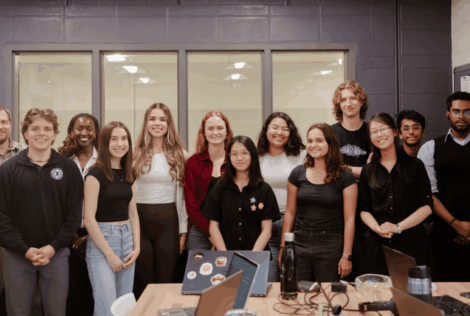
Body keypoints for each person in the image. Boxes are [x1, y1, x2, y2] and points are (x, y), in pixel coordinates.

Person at [0, 108, 83, 316]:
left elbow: (73, 215)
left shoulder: (69, 169)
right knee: (17, 312)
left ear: (55, 134)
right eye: (34, 128)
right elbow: (1, 217)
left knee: (56, 311)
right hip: (17, 255)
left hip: (56, 254)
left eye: (47, 128)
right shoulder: (7, 170)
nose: (41, 133)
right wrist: (24, 249)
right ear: (25, 133)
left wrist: (53, 247)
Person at [277, 123, 357, 282]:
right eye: (310, 141)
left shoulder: (345, 176)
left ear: (330, 143)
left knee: (327, 297)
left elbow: (350, 219)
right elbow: (290, 213)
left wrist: (346, 255)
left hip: (331, 245)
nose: (313, 145)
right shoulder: (297, 173)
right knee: (297, 296)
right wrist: (283, 248)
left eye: (319, 140)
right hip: (299, 244)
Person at [360, 113, 433, 276]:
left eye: (383, 129)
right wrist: (376, 228)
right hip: (378, 242)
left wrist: (398, 227)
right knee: (377, 295)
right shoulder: (367, 171)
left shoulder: (415, 166)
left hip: (411, 240)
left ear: (394, 132)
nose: (379, 135)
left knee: (413, 295)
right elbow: (363, 209)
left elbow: (427, 207)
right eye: (374, 132)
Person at [84, 121, 140, 316]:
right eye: (114, 139)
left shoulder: (129, 173)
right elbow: (88, 219)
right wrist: (108, 254)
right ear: (105, 143)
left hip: (127, 242)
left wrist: (137, 247)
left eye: (124, 138)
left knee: (125, 307)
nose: (120, 143)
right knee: (106, 308)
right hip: (103, 243)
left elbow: (133, 214)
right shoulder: (95, 174)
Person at [132, 103, 188, 299]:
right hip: (139, 224)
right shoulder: (133, 154)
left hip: (168, 225)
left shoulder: (181, 155)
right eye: (153, 118)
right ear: (146, 123)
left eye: (162, 119)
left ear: (169, 124)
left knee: (165, 282)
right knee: (142, 283)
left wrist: (183, 230)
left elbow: (182, 199)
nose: (157, 123)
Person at [417, 91, 470, 282]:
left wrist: (468, 230)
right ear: (448, 114)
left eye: (467, 112)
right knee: (445, 293)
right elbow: (430, 194)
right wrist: (457, 225)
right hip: (444, 234)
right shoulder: (430, 148)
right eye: (456, 111)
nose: (461, 116)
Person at [203, 136, 281, 252]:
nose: (239, 158)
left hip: (257, 256)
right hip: (226, 255)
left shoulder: (265, 190)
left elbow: (266, 230)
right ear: (229, 157)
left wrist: (252, 258)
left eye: (244, 153)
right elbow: (213, 226)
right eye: (234, 154)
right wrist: (225, 254)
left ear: (252, 155)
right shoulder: (220, 188)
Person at [58, 113, 100, 316]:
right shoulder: (60, 160)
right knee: (71, 292)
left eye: (89, 128)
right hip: (67, 234)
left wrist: (90, 235)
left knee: (96, 290)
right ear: (71, 132)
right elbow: (55, 201)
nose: (84, 132)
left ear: (96, 132)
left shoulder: (104, 160)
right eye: (79, 128)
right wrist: (73, 237)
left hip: (99, 233)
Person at [256, 112, 306, 282]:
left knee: (292, 277)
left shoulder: (302, 156)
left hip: (295, 222)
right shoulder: (256, 157)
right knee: (269, 277)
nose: (280, 132)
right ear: (266, 130)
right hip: (264, 223)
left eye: (285, 128)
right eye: (275, 127)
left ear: (291, 132)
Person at [330, 81, 371, 279]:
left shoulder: (373, 131)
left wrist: (344, 168)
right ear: (338, 105)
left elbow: (376, 173)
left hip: (367, 206)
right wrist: (361, 171)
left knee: (363, 267)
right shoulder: (330, 134)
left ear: (361, 101)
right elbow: (328, 170)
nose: (348, 103)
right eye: (343, 100)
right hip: (335, 207)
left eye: (353, 98)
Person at [185, 111, 234, 252]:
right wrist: (211, 235)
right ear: (204, 133)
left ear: (227, 132)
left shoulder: (236, 161)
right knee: (200, 273)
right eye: (210, 128)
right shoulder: (193, 163)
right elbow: (191, 206)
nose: (215, 132)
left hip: (230, 229)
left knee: (229, 273)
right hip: (200, 231)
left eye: (220, 128)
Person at [0, 106, 27, 316]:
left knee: (17, 292)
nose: (0, 127)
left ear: (10, 124)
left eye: (3, 122)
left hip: (17, 232)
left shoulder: (24, 153)